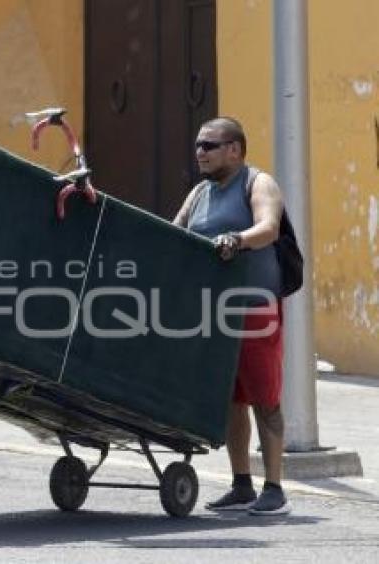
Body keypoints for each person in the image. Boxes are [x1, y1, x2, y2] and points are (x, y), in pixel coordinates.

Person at [173, 116, 292, 516]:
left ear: (235, 150)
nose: (200, 152)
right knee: (230, 401)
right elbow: (176, 233)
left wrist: (237, 240)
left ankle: (274, 488)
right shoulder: (199, 193)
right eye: (198, 145)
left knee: (265, 399)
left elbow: (269, 227)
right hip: (214, 313)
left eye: (209, 145)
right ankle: (241, 484)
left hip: (257, 309)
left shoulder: (257, 183)